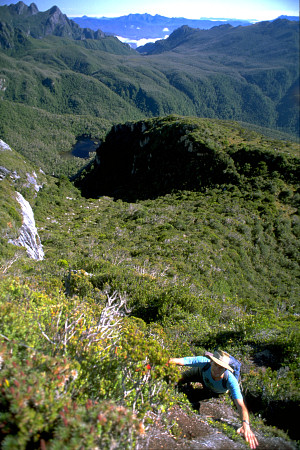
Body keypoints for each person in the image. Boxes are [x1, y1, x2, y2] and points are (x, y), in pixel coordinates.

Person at [169, 349, 259, 449]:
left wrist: (246, 425)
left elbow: (240, 405)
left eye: (221, 367)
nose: (217, 369)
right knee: (178, 378)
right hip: (200, 375)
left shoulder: (230, 381)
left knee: (205, 395)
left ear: (225, 369)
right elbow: (180, 361)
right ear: (211, 361)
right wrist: (159, 362)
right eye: (215, 364)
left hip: (216, 391)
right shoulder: (204, 362)